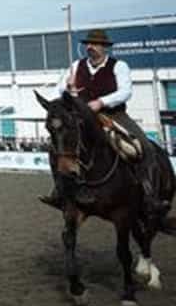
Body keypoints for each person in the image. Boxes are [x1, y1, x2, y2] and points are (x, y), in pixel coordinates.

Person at [39, 29, 168, 218]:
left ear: (104, 47)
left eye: (95, 44)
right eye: (88, 44)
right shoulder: (76, 66)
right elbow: (60, 91)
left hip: (113, 114)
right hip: (82, 118)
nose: (90, 47)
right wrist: (62, 95)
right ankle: (60, 193)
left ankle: (150, 196)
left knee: (143, 146)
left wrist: (101, 102)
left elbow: (125, 92)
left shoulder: (119, 66)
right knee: (57, 148)